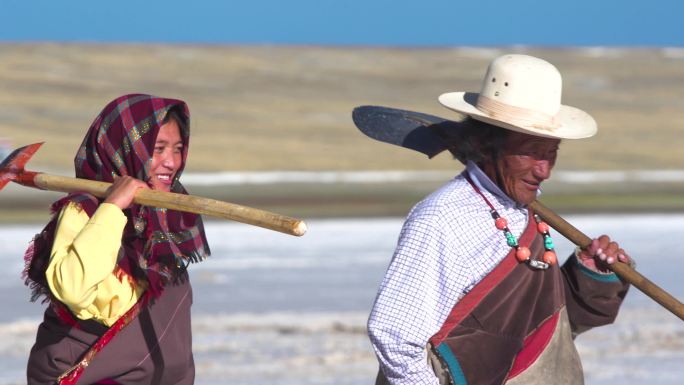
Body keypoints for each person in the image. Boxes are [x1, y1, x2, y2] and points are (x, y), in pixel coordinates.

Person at [367, 54, 632, 385]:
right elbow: (394, 336)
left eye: (551, 152)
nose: (544, 169)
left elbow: (535, 329)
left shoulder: (524, 210)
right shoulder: (442, 218)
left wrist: (588, 277)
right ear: (482, 144)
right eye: (530, 151)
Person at [23, 94, 211, 385]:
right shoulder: (84, 210)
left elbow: (172, 329)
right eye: (158, 149)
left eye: (177, 149)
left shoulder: (167, 215)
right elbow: (73, 289)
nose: (171, 162)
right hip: (89, 375)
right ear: (125, 148)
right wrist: (112, 208)